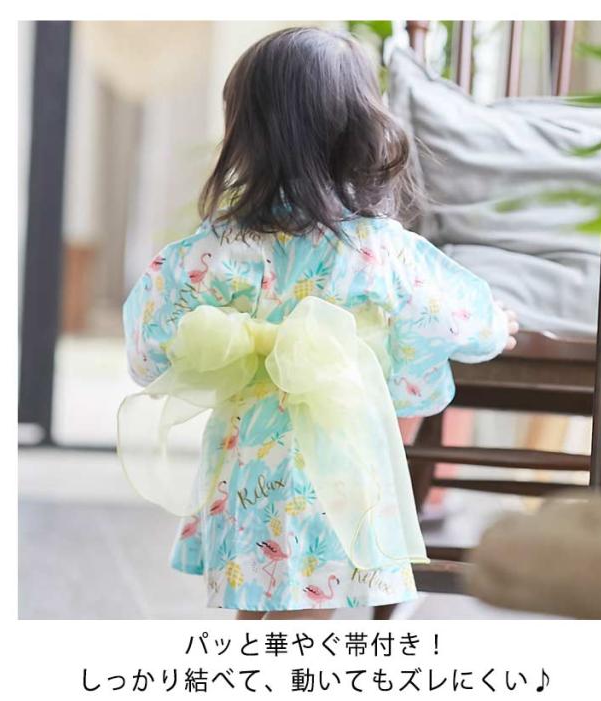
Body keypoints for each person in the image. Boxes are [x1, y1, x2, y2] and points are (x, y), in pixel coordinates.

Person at [119, 27, 518, 621]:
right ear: (358, 130)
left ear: (247, 136)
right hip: (337, 456)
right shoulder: (377, 249)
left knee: (256, 597)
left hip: (246, 457)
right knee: (311, 608)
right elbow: (450, 317)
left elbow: (151, 337)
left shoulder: (217, 247)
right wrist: (496, 324)